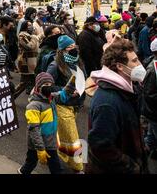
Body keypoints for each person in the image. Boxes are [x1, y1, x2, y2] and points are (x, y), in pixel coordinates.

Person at [88, 39, 148, 174]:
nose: (139, 64)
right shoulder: (107, 102)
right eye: (134, 61)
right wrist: (131, 166)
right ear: (120, 66)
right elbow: (101, 146)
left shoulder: (127, 88)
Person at [18, 73, 72, 175]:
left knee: (54, 166)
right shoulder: (33, 106)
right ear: (38, 87)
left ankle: (23, 171)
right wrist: (40, 148)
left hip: (50, 141)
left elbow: (63, 94)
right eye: (45, 84)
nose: (49, 87)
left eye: (50, 84)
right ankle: (23, 171)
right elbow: (33, 129)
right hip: (37, 143)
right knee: (31, 162)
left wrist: (72, 84)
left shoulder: (51, 99)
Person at [47, 35, 86, 173]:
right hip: (61, 106)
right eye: (69, 47)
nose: (73, 49)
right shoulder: (54, 65)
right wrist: (66, 90)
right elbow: (46, 88)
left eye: (74, 46)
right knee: (73, 137)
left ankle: (59, 155)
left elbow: (82, 78)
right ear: (62, 50)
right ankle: (78, 168)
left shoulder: (78, 61)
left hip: (75, 106)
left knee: (65, 136)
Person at [15, 20, 39, 98]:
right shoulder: (22, 35)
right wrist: (35, 37)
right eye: (29, 25)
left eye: (31, 25)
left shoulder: (30, 35)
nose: (31, 26)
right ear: (24, 26)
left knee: (29, 83)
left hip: (31, 62)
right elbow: (29, 47)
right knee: (24, 83)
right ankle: (12, 96)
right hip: (25, 62)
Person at [142, 39, 157, 159]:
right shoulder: (152, 69)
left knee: (151, 135)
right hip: (154, 112)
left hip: (153, 113)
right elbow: (149, 94)